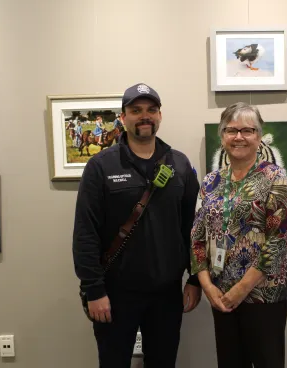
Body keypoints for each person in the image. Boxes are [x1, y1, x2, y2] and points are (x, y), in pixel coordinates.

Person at [73, 82, 202, 367]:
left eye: (151, 110)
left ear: (159, 115)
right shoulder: (101, 166)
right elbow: (85, 233)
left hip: (167, 293)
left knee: (163, 363)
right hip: (114, 294)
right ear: (123, 117)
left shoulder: (179, 164)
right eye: (136, 110)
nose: (145, 116)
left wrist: (194, 279)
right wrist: (94, 290)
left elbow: (194, 229)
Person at [190, 102, 287, 368]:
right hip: (220, 294)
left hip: (263, 295)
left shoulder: (275, 177)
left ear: (259, 137)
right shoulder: (210, 182)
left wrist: (240, 290)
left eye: (247, 130)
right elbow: (197, 238)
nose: (239, 137)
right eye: (231, 130)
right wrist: (207, 286)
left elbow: (278, 242)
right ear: (222, 136)